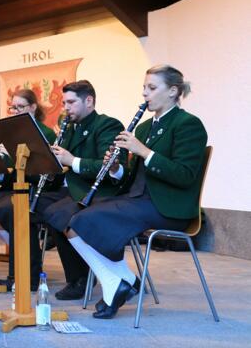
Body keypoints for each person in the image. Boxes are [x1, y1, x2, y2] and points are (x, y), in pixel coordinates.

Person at [48, 65, 207, 319]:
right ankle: (117, 280)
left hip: (167, 206)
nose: (145, 93)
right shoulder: (144, 128)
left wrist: (144, 151)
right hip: (137, 198)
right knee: (73, 218)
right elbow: (130, 176)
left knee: (86, 219)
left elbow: (185, 175)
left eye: (152, 88)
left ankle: (120, 283)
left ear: (173, 91)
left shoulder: (188, 124)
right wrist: (115, 169)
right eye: (144, 87)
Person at [31, 81, 125, 300]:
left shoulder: (107, 125)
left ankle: (80, 278)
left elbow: (106, 167)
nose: (66, 108)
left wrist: (71, 160)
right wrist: (50, 163)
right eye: (64, 103)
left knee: (57, 214)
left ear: (89, 101)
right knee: (27, 207)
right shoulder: (70, 127)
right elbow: (61, 165)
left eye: (71, 102)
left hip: (96, 192)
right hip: (69, 189)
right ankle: (29, 274)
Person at [0, 89, 57, 291]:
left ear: (33, 107)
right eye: (13, 107)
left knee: (12, 210)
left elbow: (42, 171)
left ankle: (28, 275)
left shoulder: (45, 133)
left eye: (20, 107)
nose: (15, 111)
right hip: (15, 186)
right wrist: (0, 170)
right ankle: (18, 270)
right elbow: (11, 170)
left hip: (36, 188)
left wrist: (14, 161)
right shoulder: (12, 134)